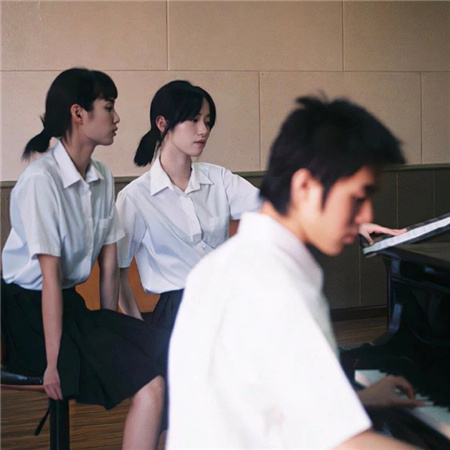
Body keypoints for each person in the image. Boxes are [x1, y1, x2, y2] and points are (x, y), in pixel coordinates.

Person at [167, 95, 421, 448]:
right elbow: (345, 444)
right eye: (357, 197)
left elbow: (256, 408)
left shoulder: (224, 264)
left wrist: (356, 401)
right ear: (304, 187)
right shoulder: (274, 284)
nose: (365, 215)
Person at [116, 80, 404, 330]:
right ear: (162, 123)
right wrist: (139, 331)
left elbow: (278, 208)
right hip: (177, 312)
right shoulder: (135, 197)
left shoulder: (218, 179)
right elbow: (116, 272)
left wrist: (352, 220)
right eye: (194, 120)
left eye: (208, 121)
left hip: (230, 300)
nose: (204, 129)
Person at [1, 68, 169, 450]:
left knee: (166, 348)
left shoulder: (103, 177)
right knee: (150, 379)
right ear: (78, 113)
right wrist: (52, 363)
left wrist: (112, 331)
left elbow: (109, 269)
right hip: (27, 315)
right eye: (108, 107)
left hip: (68, 305)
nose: (117, 118)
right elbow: (49, 276)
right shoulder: (41, 180)